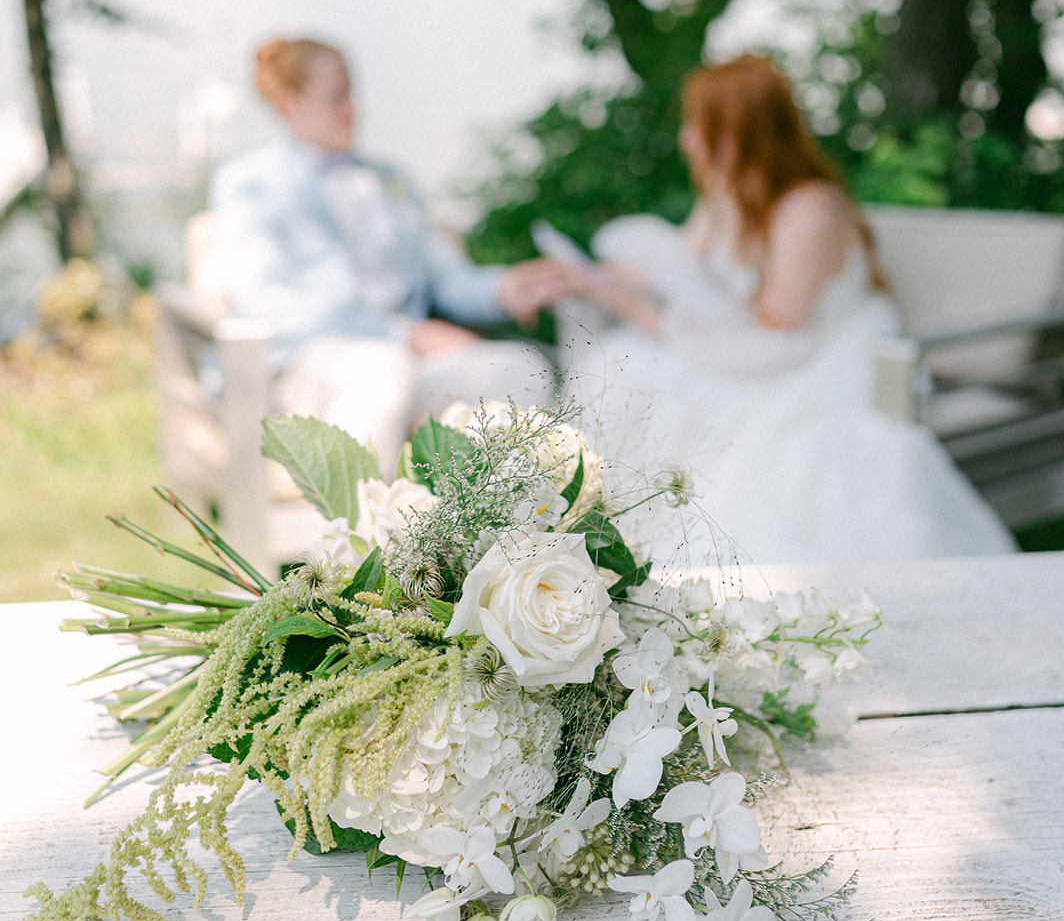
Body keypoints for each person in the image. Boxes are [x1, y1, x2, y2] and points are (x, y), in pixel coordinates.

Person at [562, 54, 1016, 563]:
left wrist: (647, 315)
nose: (688, 141)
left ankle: (649, 550)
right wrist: (582, 275)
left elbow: (777, 335)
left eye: (699, 127)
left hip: (826, 358)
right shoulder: (726, 191)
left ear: (741, 131)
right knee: (630, 370)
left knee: (701, 409)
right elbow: (681, 267)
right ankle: (595, 531)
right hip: (763, 342)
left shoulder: (808, 211)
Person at [208, 38, 570, 472]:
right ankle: (359, 534)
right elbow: (268, 304)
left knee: (522, 370)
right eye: (336, 98)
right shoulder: (249, 184)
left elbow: (445, 277)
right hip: (311, 367)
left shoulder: (389, 180)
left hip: (409, 365)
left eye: (352, 93)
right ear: (291, 103)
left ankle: (480, 525)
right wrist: (404, 334)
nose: (352, 109)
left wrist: (504, 289)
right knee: (383, 369)